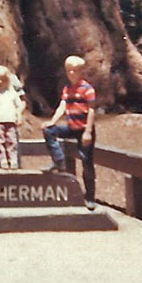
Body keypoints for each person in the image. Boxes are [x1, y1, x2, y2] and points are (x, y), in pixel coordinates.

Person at [41, 55, 97, 210]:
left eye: (75, 70)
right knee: (49, 131)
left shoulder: (87, 89)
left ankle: (90, 196)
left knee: (86, 161)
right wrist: (52, 121)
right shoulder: (67, 89)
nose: (72, 73)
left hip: (84, 129)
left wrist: (88, 132)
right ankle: (59, 160)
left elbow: (92, 111)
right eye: (69, 70)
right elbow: (62, 107)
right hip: (72, 127)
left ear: (81, 71)